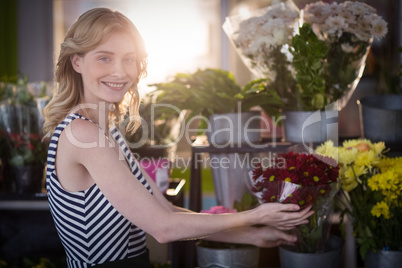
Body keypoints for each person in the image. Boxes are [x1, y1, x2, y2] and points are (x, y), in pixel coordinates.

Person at [43, 7, 313, 267]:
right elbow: (163, 228)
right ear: (76, 61)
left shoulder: (108, 129)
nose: (120, 71)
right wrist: (254, 216)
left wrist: (250, 235)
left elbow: (168, 212)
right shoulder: (82, 133)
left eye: (129, 59)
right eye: (104, 57)